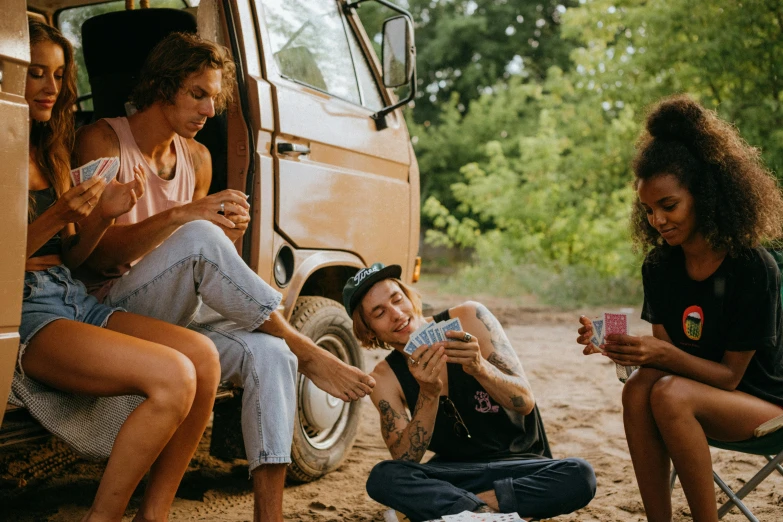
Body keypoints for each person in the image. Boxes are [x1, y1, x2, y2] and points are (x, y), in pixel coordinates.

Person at [73, 32, 375, 522]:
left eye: (215, 98)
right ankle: (309, 350)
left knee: (270, 353)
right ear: (162, 85)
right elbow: (90, 261)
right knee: (196, 237)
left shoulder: (197, 158)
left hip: (175, 313)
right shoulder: (103, 140)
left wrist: (225, 228)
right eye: (198, 94)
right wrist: (187, 218)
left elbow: (197, 264)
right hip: (110, 310)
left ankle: (267, 515)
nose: (210, 111)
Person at [14, 21, 221, 522]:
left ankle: (154, 514)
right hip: (23, 308)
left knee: (205, 358)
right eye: (36, 73)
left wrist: (101, 216)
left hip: (69, 294)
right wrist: (58, 215)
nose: (51, 87)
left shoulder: (52, 150)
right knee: (173, 376)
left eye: (60, 75)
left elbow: (78, 260)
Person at [576, 95, 783, 522]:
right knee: (638, 389)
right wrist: (624, 350)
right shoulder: (660, 265)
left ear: (705, 196)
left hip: (764, 404)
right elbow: (667, 365)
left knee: (669, 394)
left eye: (668, 206)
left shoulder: (751, 267)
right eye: (648, 210)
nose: (657, 221)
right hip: (695, 393)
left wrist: (660, 356)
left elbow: (728, 377)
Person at [343, 263, 596, 521]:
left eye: (397, 299)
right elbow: (406, 457)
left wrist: (480, 368)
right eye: (379, 313)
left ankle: (466, 511)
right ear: (368, 330)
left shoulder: (469, 317)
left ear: (409, 297)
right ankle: (492, 513)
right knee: (384, 477)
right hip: (457, 472)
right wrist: (428, 395)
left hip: (520, 466)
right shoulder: (384, 377)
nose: (396, 314)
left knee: (580, 474)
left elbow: (525, 402)